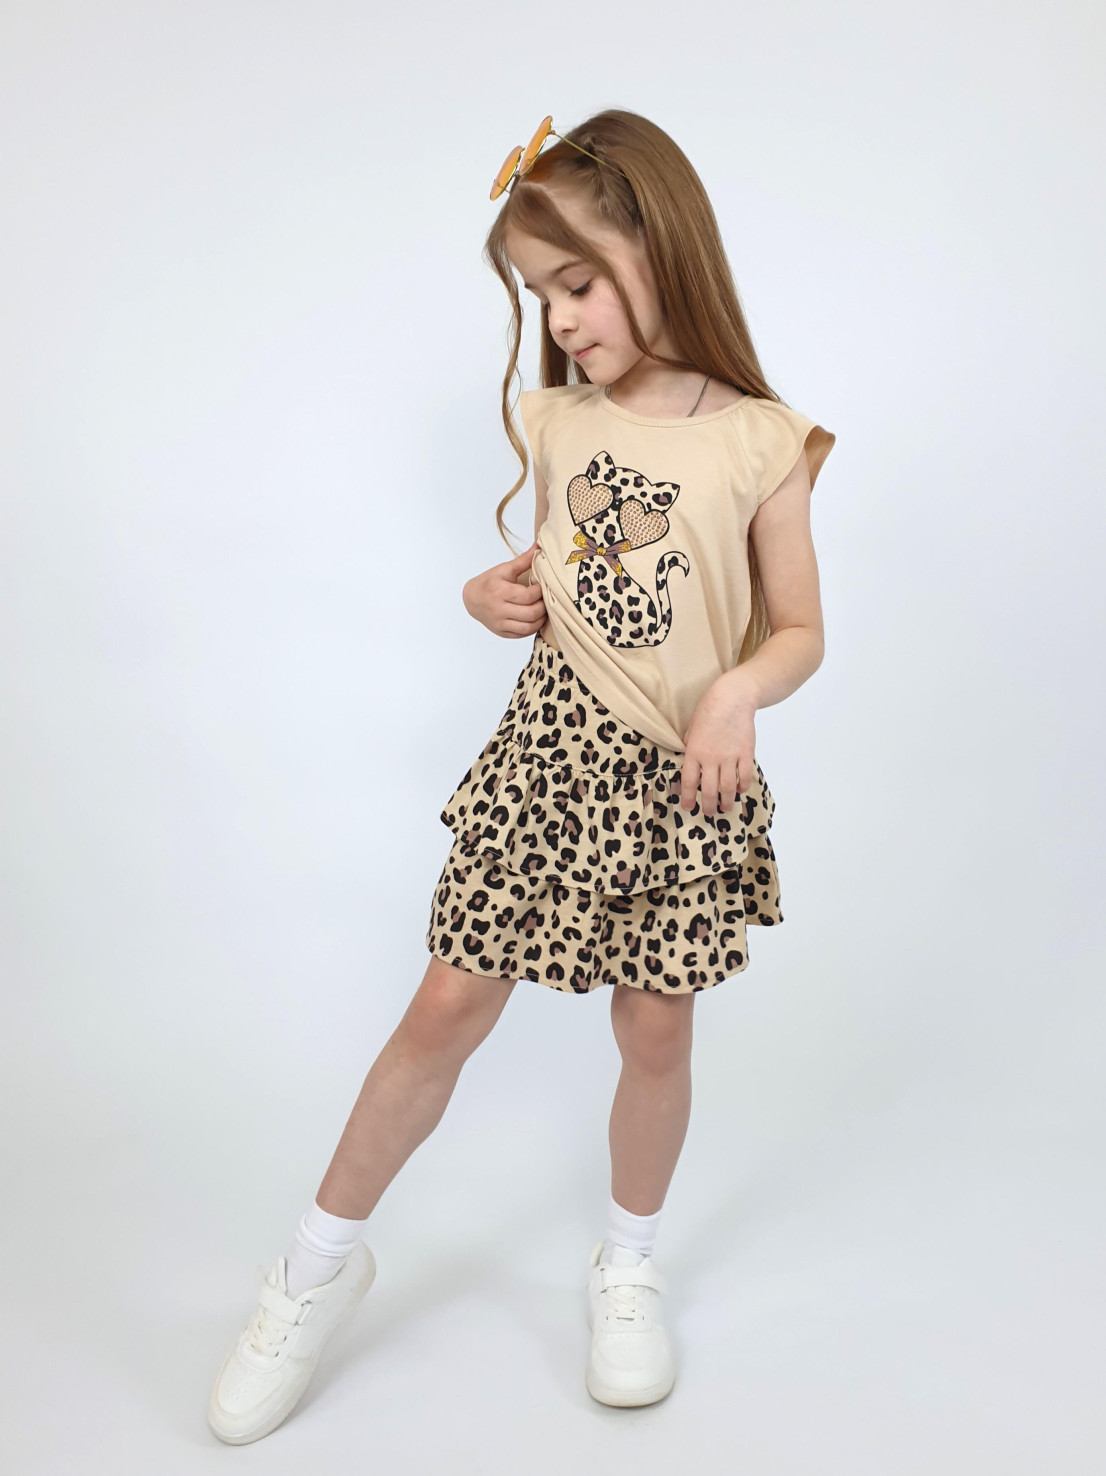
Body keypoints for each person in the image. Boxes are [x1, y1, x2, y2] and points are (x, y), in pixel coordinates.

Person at [207, 108, 836, 1444]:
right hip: (550, 754)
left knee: (654, 1030)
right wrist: (489, 595)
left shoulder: (762, 441)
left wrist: (736, 691)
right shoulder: (554, 420)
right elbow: (555, 580)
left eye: (578, 283)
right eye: (539, 294)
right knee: (446, 1002)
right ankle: (312, 1269)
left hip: (681, 780)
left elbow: (798, 631)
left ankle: (627, 1264)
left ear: (663, 249)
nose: (558, 319)